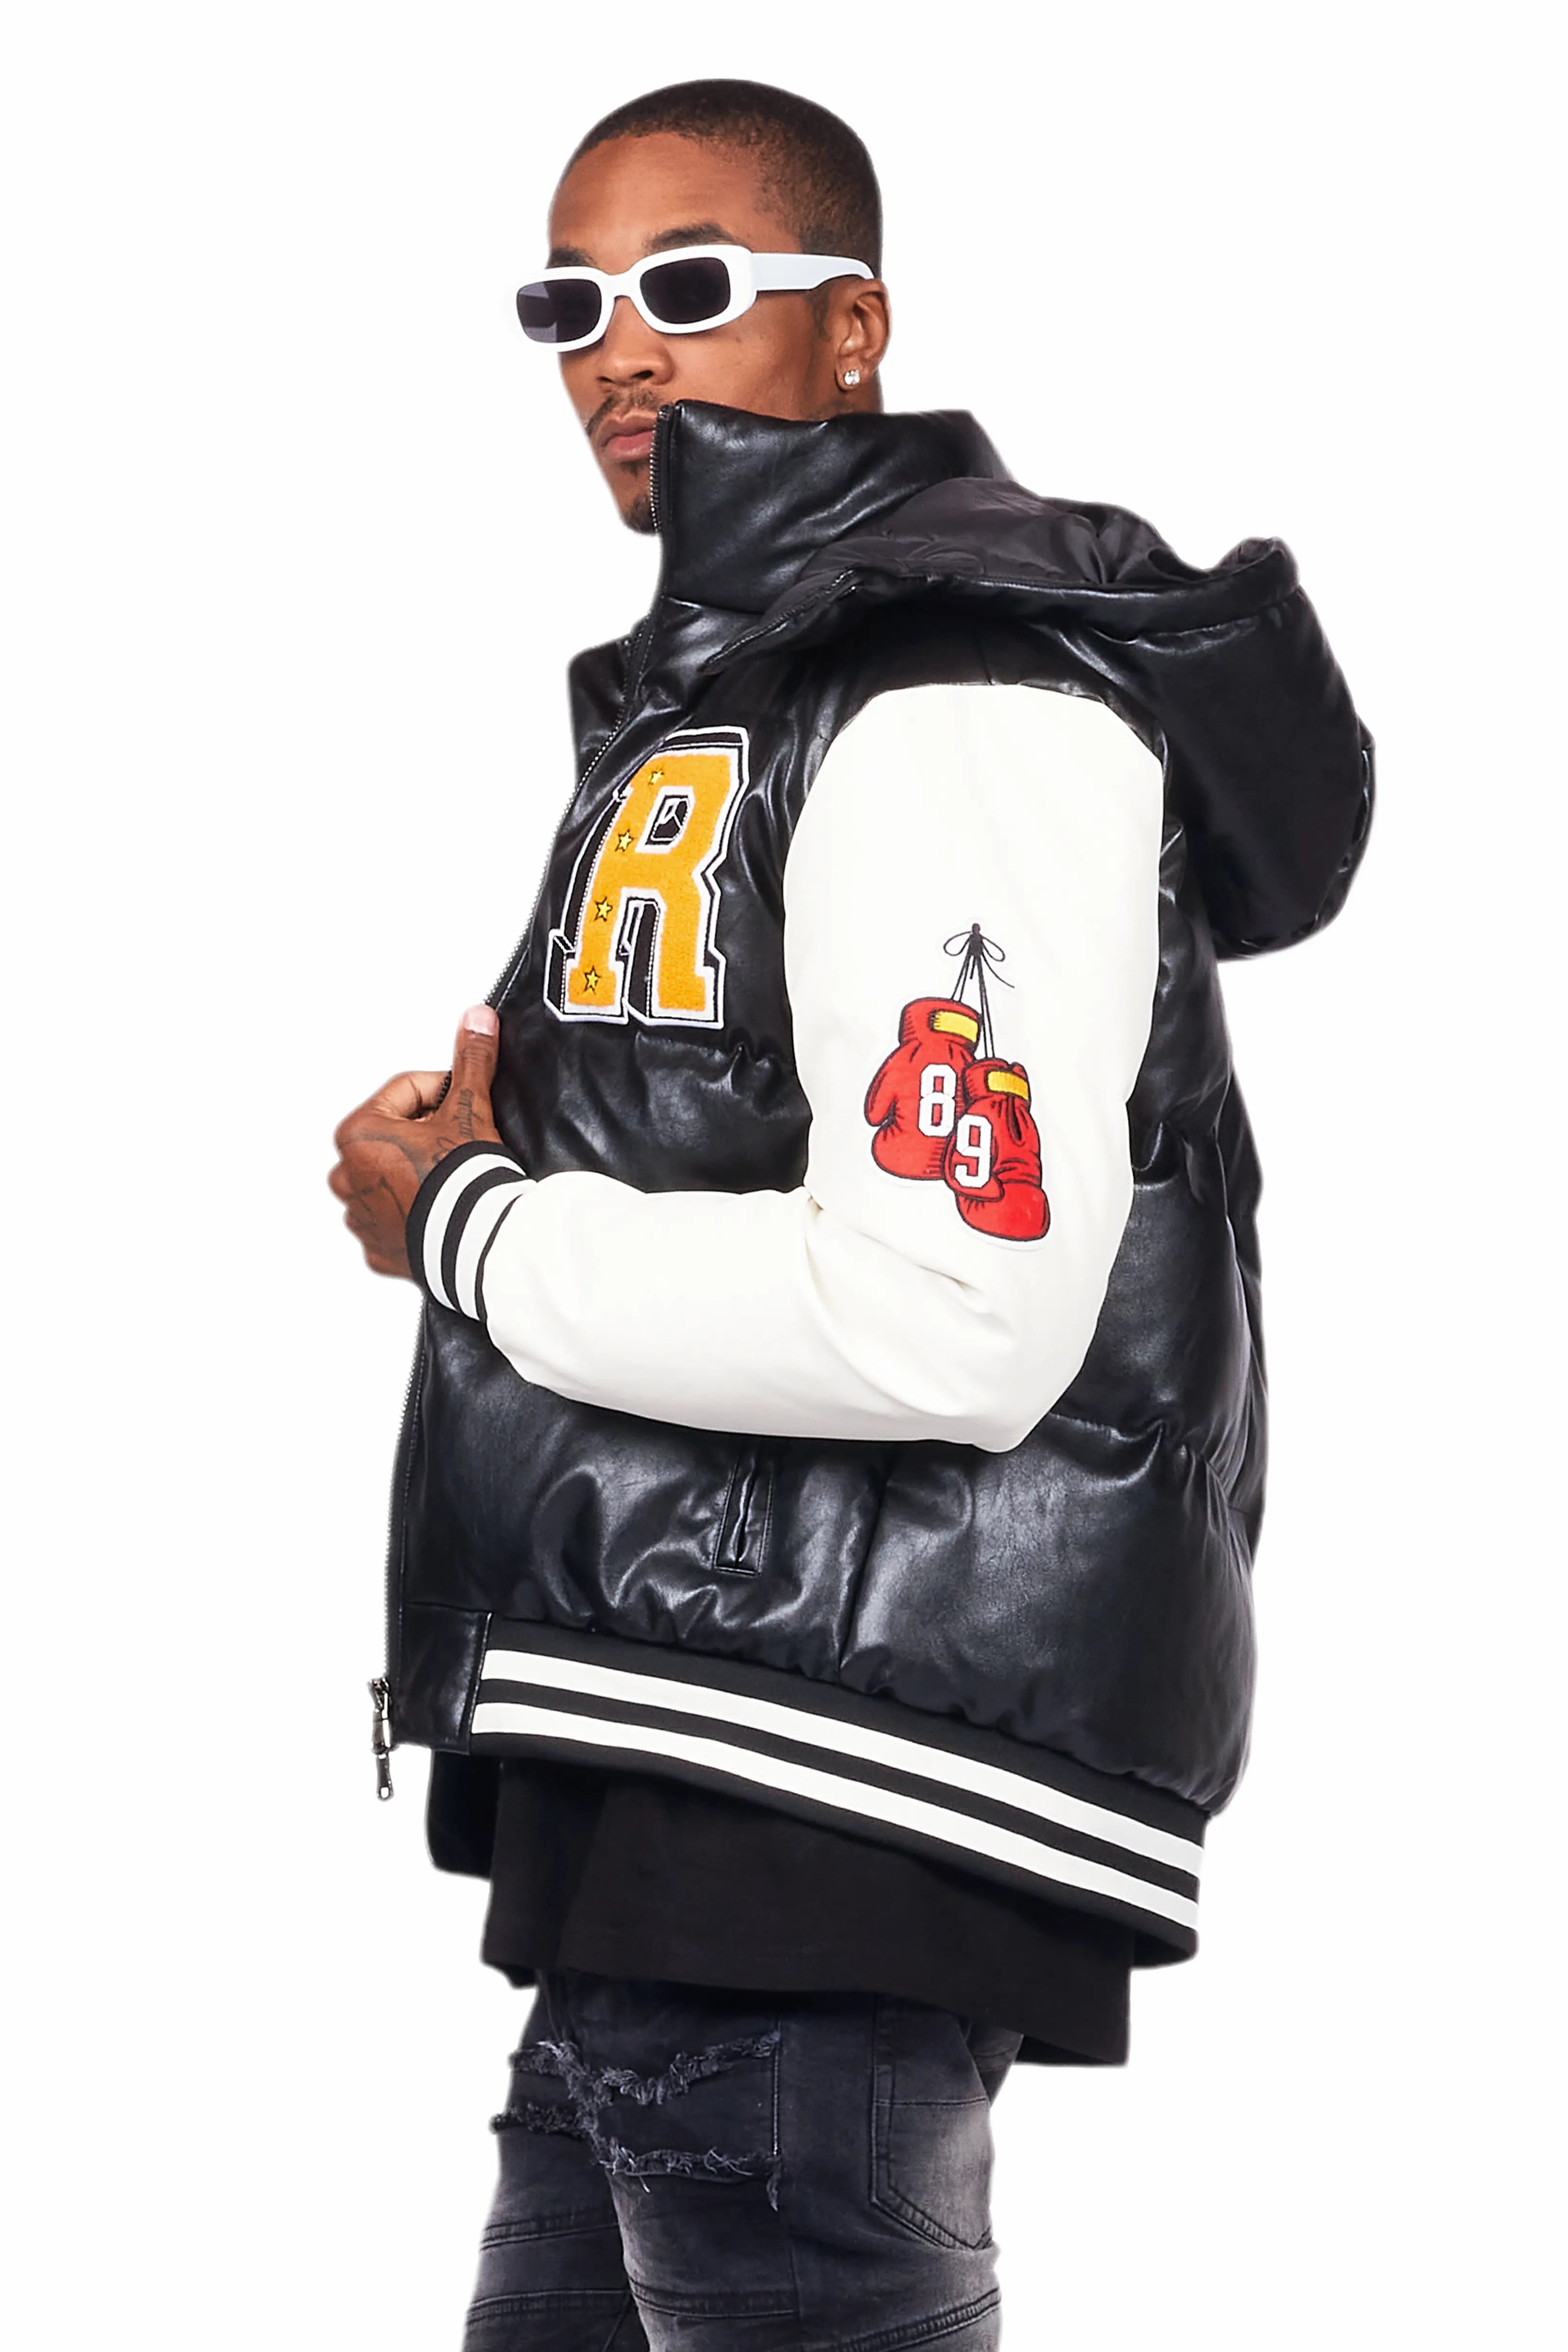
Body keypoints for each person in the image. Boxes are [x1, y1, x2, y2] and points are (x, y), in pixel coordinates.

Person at [329, 77, 1371, 2352]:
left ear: (853, 324)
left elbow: (945, 1310)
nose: (620, 348)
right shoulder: (749, 682)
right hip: (682, 1767)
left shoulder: (948, 688)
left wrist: (470, 1221)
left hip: (816, 1805)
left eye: (690, 285)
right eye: (568, 304)